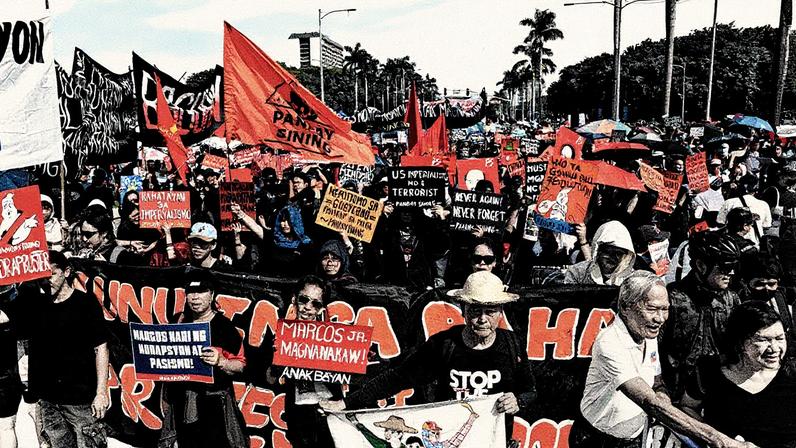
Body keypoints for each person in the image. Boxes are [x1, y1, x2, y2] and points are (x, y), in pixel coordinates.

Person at [322, 271, 536, 446]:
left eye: (490, 311)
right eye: (475, 310)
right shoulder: (445, 344)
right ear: (463, 309)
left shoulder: (512, 344)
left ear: (500, 313)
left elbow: (530, 391)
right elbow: (398, 378)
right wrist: (347, 403)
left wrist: (518, 401)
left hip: (495, 442)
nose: (482, 319)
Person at [570, 271, 754, 448]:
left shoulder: (647, 333)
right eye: (652, 309)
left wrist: (663, 398)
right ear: (625, 307)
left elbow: (656, 382)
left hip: (633, 437)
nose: (660, 318)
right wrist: (718, 439)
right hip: (595, 439)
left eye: (665, 309)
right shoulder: (609, 342)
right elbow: (649, 401)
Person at [0, 251, 110, 448]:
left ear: (66, 272)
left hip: (81, 398)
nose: (46, 281)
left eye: (51, 274)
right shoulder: (34, 304)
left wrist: (101, 391)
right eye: (41, 277)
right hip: (47, 399)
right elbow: (5, 317)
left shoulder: (85, 303)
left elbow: (101, 347)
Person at [681, 302, 796, 448]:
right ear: (740, 342)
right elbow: (687, 407)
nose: (774, 348)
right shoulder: (709, 371)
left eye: (780, 338)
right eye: (762, 340)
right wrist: (714, 438)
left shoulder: (792, 373)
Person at [161, 270, 247, 448]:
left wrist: (221, 361)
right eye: (191, 292)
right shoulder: (178, 321)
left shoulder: (225, 327)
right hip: (180, 406)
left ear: (212, 295)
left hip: (214, 408)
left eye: (201, 292)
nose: (195, 297)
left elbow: (241, 365)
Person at [662, 231, 742, 399]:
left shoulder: (732, 300)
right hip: (675, 391)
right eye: (725, 267)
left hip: (717, 390)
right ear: (701, 265)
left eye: (734, 266)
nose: (732, 273)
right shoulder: (672, 299)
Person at [270, 275, 343, 448]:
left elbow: (352, 376)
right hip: (299, 412)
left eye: (315, 303)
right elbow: (270, 379)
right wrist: (276, 358)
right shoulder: (281, 335)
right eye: (304, 300)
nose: (308, 308)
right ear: (295, 299)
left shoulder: (336, 337)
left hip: (331, 408)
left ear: (321, 308)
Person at [564, 220, 637, 285]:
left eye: (618, 253)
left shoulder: (630, 278)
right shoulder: (577, 272)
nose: (612, 257)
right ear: (597, 250)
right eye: (607, 251)